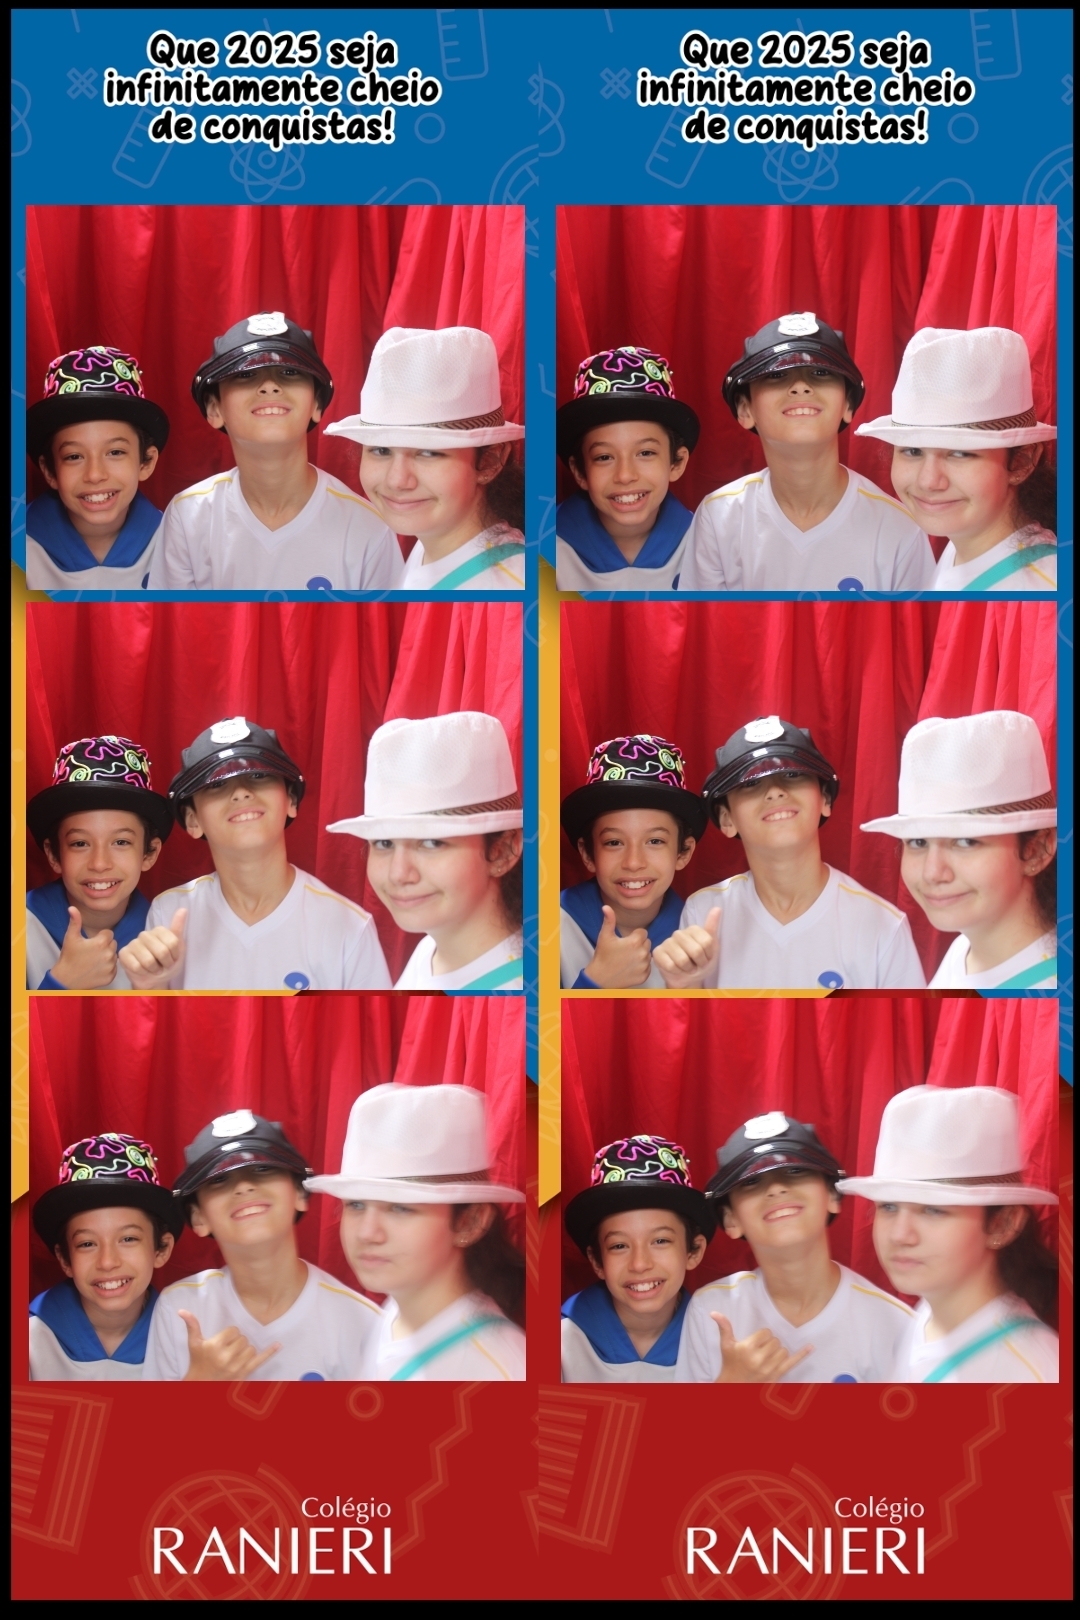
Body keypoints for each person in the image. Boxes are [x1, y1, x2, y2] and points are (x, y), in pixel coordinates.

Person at [117, 717, 391, 991]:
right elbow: (152, 1017)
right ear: (193, 820)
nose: (241, 793)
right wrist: (150, 987)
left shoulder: (349, 927)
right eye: (216, 784)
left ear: (291, 800)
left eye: (259, 776)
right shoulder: (168, 913)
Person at [655, 717, 926, 990]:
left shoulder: (883, 926)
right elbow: (686, 1016)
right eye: (750, 783)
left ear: (825, 799)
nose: (775, 791)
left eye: (793, 775)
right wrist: (684, 986)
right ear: (727, 820)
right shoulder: (702, 913)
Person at [679, 314, 935, 592]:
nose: (801, 386)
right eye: (776, 375)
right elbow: (703, 620)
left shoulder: (900, 528)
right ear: (745, 410)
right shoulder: (718, 518)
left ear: (848, 405)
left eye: (821, 373)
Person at [147, 312, 401, 591]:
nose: (269, 386)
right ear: (214, 409)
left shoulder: (368, 527)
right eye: (245, 374)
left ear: (317, 404)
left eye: (290, 372)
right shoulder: (187, 517)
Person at [838, 1086, 1059, 1383]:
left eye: (933, 1210)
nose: (900, 1235)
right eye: (888, 1206)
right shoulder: (927, 1314)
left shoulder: (1032, 1372)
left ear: (1003, 1224)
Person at [307, 1084, 526, 1380]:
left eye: (400, 1208)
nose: (367, 1233)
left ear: (471, 1222)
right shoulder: (394, 1313)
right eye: (356, 1204)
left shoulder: (498, 1370)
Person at [143, 1111, 383, 1381]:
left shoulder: (366, 1325)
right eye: (219, 1180)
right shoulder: (178, 1308)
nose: (244, 1186)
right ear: (198, 1218)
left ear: (300, 1194)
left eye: (263, 1169)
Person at [675, 1114, 913, 1383]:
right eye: (751, 1182)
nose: (776, 1188)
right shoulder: (711, 1310)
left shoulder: (899, 1327)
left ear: (833, 1195)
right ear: (731, 1220)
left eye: (796, 1171)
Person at [328, 711, 524, 990]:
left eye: (432, 842)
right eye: (384, 843)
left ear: (503, 850)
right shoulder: (430, 950)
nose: (398, 874)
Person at [862, 711, 1057, 988]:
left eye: (966, 841)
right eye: (918, 842)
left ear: (1038, 850)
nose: (932, 873)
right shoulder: (964, 949)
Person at [856, 327, 1057, 591]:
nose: (929, 481)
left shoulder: (1041, 588)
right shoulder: (963, 540)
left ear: (1021, 462)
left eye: (960, 453)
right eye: (913, 451)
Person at [325, 326, 525, 590]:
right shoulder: (431, 539)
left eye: (429, 452)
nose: (397, 481)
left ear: (490, 461)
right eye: (381, 450)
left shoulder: (507, 587)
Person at [561, 1135, 715, 1382]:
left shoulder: (718, 1339)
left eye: (660, 1241)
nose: (640, 1264)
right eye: (619, 1246)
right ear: (597, 1261)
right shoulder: (560, 1340)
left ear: (693, 1250)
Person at [30, 1133, 183, 1380]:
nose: (108, 1262)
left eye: (128, 1239)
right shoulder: (29, 1338)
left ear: (161, 1248)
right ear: (65, 1259)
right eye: (87, 1244)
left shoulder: (187, 1338)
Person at [26, 735, 173, 990]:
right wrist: (61, 984)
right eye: (80, 843)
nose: (100, 863)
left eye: (121, 842)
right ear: (53, 855)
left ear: (149, 853)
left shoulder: (165, 935)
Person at [559, 735, 706, 988]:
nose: (634, 862)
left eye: (655, 841)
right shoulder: (542, 928)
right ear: (587, 854)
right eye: (614, 842)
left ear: (683, 852)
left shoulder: (698, 933)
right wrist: (595, 983)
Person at [554, 347, 699, 591]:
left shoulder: (707, 542)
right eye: (604, 457)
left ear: (676, 462)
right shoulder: (540, 551)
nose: (625, 475)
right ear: (579, 472)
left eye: (646, 453)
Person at [24, 347, 169, 591]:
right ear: (49, 471)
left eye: (115, 452)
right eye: (74, 456)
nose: (94, 475)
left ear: (146, 462)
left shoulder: (176, 541)